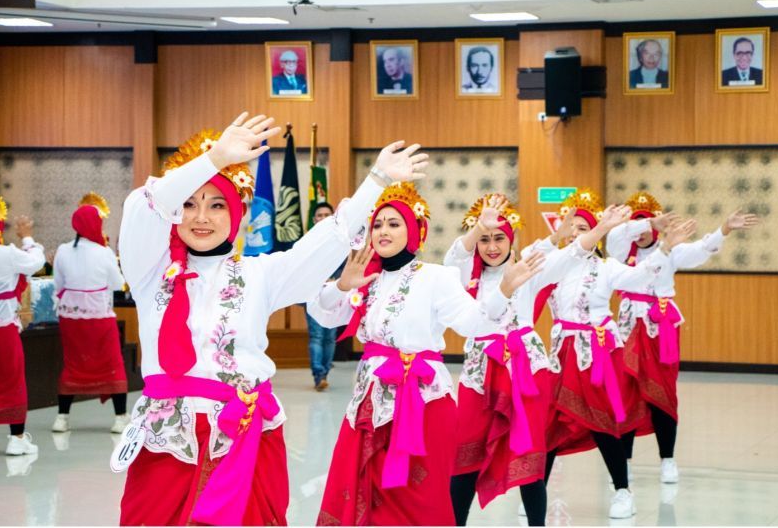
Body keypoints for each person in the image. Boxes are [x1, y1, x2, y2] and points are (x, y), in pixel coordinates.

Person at [116, 111, 428, 526]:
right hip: (168, 440)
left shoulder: (258, 274)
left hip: (245, 434)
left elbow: (328, 239)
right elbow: (144, 205)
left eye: (216, 204)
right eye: (189, 204)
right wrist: (212, 161)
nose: (201, 217)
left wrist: (375, 181)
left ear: (239, 214)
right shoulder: (150, 271)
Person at [309, 183, 544, 526]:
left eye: (394, 224)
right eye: (377, 224)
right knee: (364, 489)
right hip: (370, 402)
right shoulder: (366, 278)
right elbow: (322, 313)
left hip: (424, 402)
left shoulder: (437, 277)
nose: (383, 231)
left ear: (415, 231)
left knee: (420, 496)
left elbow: (473, 323)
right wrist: (344, 285)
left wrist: (504, 289)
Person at [445, 194, 629, 526]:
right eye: (485, 239)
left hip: (525, 371)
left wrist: (601, 227)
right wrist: (477, 228)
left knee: (530, 455)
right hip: (479, 374)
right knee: (466, 453)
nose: (491, 246)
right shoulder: (463, 279)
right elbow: (453, 258)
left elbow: (572, 253)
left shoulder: (529, 269)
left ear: (511, 239)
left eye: (499, 237)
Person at [530, 188, 697, 519]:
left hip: (596, 356)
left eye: (584, 227)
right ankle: (536, 494)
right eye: (572, 227)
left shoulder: (605, 268)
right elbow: (527, 257)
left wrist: (663, 249)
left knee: (602, 422)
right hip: (560, 354)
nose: (577, 233)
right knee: (548, 424)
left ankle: (623, 490)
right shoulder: (553, 264)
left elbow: (640, 277)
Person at [607, 192, 760, 485]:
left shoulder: (671, 250)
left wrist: (724, 228)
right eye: (637, 226)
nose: (641, 233)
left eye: (648, 227)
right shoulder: (619, 250)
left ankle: (668, 459)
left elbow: (702, 249)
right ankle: (623, 461)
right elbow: (616, 233)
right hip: (627, 327)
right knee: (625, 394)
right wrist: (647, 220)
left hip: (660, 324)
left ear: (658, 229)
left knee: (662, 392)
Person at [52, 193, 129, 434]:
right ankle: (119, 418)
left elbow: (58, 283)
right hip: (99, 317)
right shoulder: (104, 252)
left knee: (73, 363)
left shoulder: (63, 251)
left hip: (70, 318)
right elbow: (117, 284)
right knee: (112, 363)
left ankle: (62, 418)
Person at [0, 197, 44, 456]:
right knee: (12, 381)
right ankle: (16, 439)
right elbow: (36, 261)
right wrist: (27, 237)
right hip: (2, 331)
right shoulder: (6, 255)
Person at [305, 201, 341, 391]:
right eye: (319, 215)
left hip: (334, 294)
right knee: (317, 335)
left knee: (329, 337)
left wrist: (336, 280)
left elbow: (346, 268)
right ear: (314, 219)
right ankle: (318, 374)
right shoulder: (306, 243)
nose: (323, 218)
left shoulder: (341, 241)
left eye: (327, 215)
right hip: (313, 294)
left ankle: (325, 372)